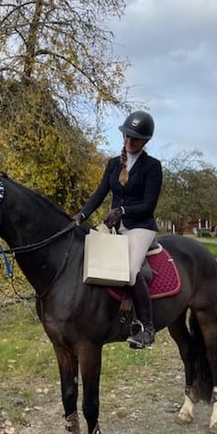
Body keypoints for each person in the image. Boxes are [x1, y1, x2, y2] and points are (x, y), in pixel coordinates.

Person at [71, 110, 163, 349]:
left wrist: (122, 211)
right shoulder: (113, 164)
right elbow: (100, 194)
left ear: (145, 141)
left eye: (135, 139)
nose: (129, 142)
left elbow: (148, 205)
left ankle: (147, 328)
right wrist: (81, 216)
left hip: (140, 227)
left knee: (131, 272)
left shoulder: (152, 166)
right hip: (114, 227)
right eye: (127, 137)